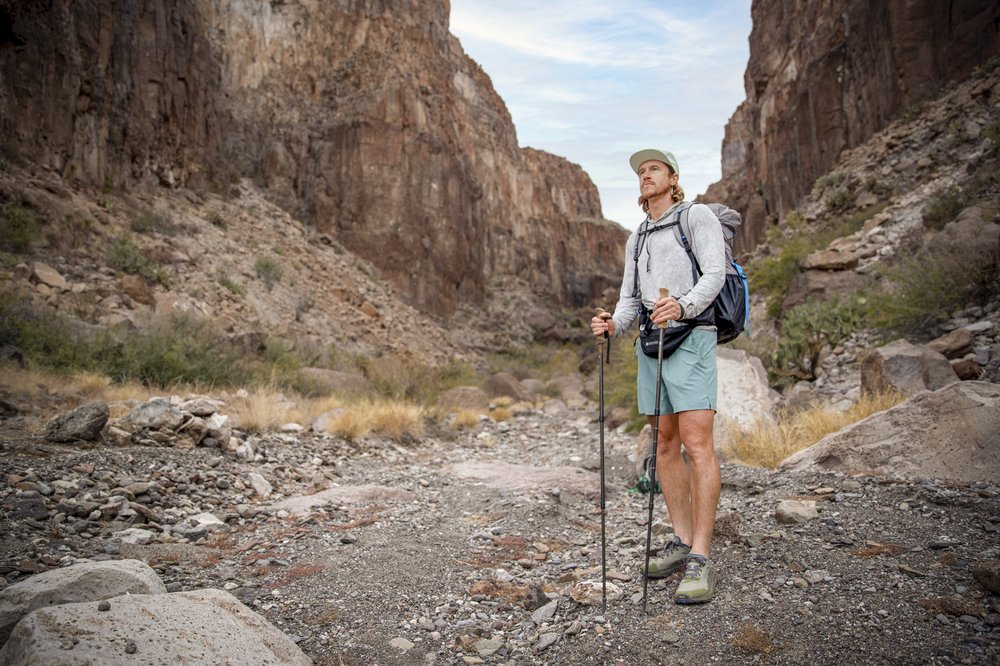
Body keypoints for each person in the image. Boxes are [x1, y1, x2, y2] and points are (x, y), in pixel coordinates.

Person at [591, 148, 725, 604]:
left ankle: (702, 558)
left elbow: (716, 274)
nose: (645, 176)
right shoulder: (638, 236)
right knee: (664, 443)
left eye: (653, 169)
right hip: (652, 343)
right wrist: (614, 324)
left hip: (692, 336)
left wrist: (683, 305)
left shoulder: (697, 217)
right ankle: (683, 540)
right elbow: (630, 298)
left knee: (696, 442)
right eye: (641, 172)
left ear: (673, 178)